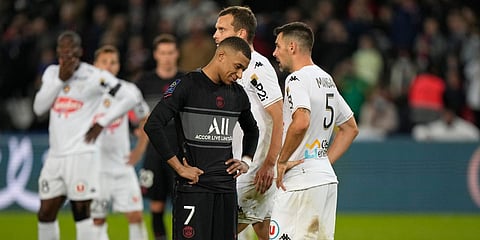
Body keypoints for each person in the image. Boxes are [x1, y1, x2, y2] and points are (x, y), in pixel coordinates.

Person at [143, 36, 259, 240]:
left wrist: (246, 161)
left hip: (226, 190)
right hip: (194, 189)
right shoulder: (186, 85)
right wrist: (179, 167)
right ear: (221, 55)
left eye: (243, 69)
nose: (240, 75)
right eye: (238, 66)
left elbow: (252, 129)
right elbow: (153, 125)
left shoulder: (238, 94)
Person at [33, 31, 139, 240]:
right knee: (45, 213)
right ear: (57, 53)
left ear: (80, 52)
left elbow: (130, 97)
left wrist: (102, 122)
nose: (67, 58)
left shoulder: (94, 76)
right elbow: (38, 109)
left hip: (81, 154)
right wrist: (59, 81)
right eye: (62, 53)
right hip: (55, 156)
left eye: (71, 53)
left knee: (82, 213)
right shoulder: (52, 74)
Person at [270, 22, 359, 240]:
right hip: (325, 180)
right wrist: (323, 162)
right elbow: (350, 128)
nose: (274, 52)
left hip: (300, 182)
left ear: (292, 47)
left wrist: (282, 161)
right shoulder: (326, 79)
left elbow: (301, 122)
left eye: (278, 46)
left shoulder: (297, 79)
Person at [212, 6, 283, 240]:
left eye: (222, 29)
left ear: (241, 34)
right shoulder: (230, 69)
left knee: (220, 231)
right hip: (239, 163)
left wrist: (269, 164)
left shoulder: (257, 68)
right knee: (263, 229)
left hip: (254, 168)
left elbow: (279, 115)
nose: (216, 35)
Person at [90, 45, 149, 240]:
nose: (108, 66)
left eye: (113, 62)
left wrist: (139, 149)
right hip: (94, 168)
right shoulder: (85, 93)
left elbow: (145, 119)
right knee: (97, 220)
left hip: (122, 166)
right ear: (95, 65)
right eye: (104, 62)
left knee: (135, 216)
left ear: (118, 66)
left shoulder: (128, 91)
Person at [136, 33, 184, 240]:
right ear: (156, 55)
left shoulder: (186, 80)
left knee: (180, 203)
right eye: (162, 53)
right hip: (153, 151)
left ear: (177, 54)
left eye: (170, 52)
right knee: (156, 204)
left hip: (179, 150)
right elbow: (135, 116)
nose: (166, 57)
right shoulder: (143, 83)